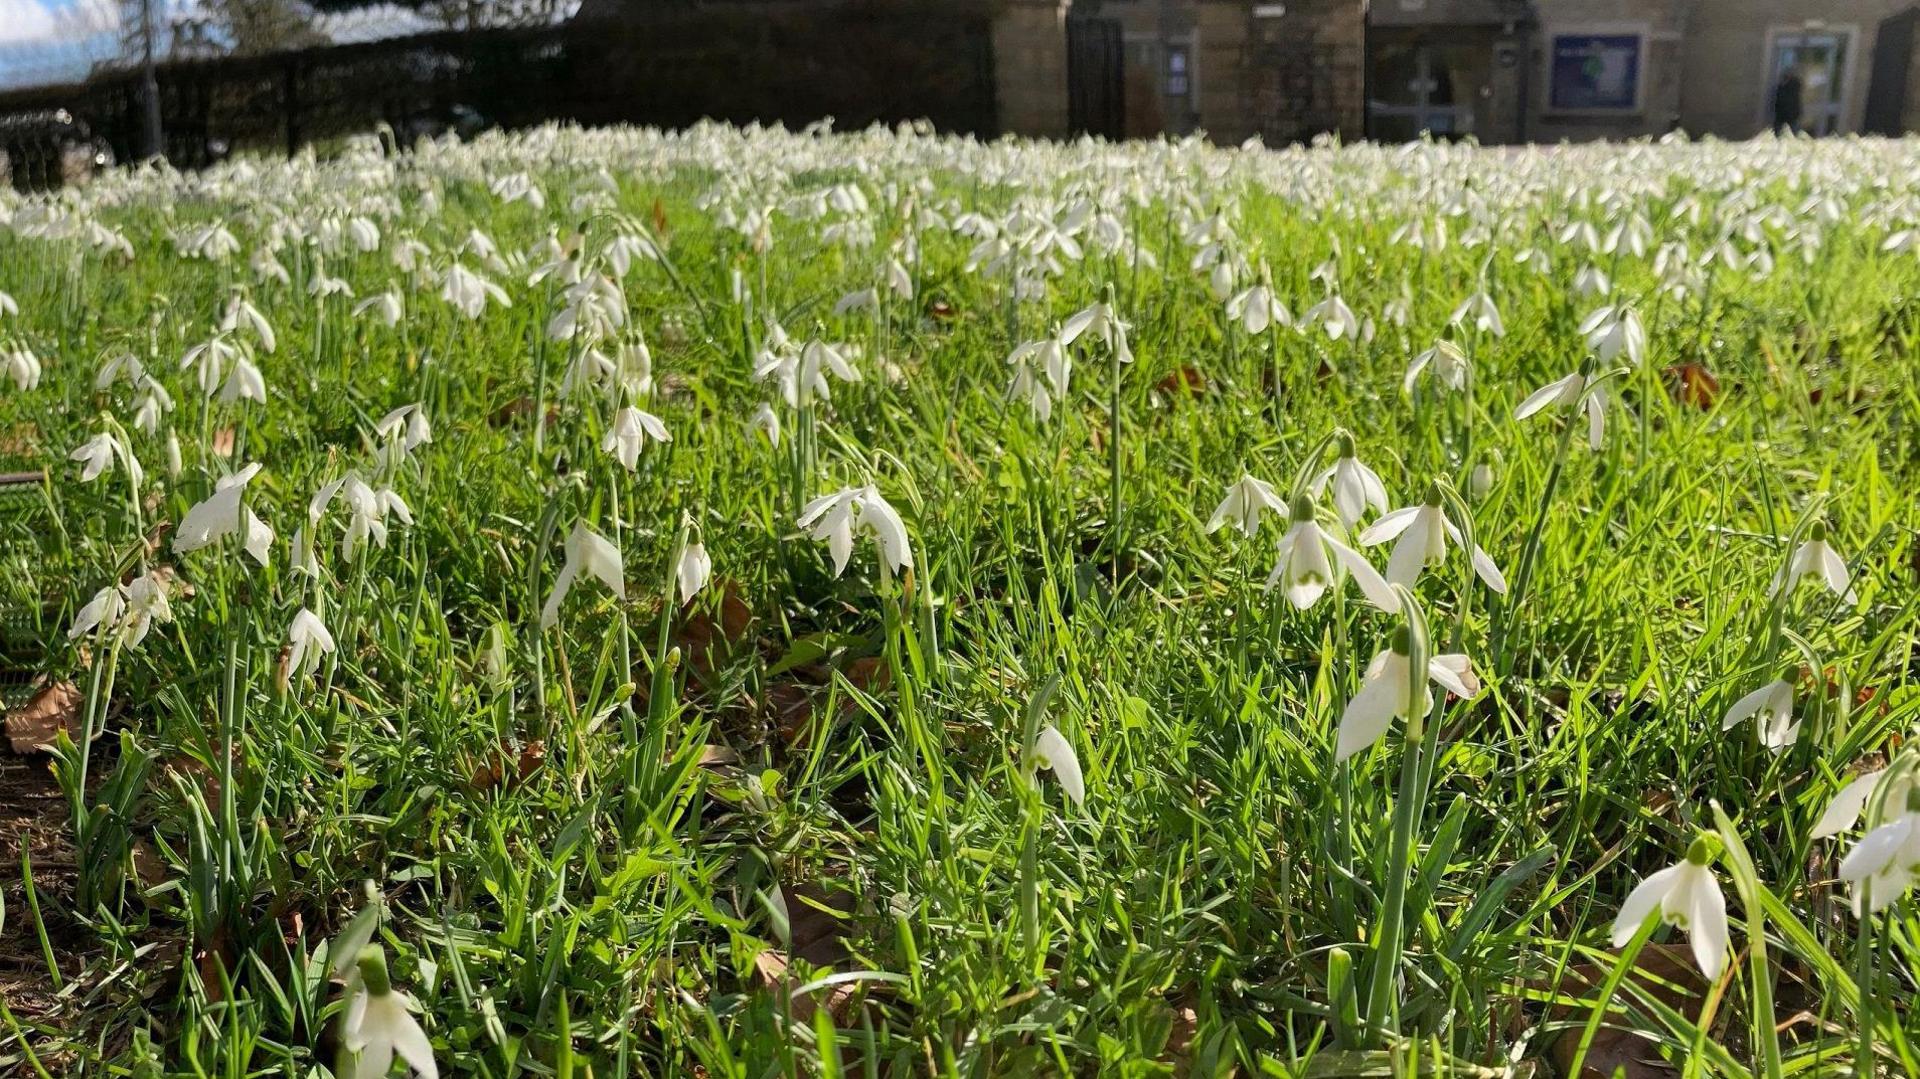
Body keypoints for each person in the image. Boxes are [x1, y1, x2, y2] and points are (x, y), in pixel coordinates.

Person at [1773, 68, 1804, 133]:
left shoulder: (1787, 88)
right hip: (1790, 116)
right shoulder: (1794, 87)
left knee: (1780, 133)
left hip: (1785, 116)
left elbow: (1782, 101)